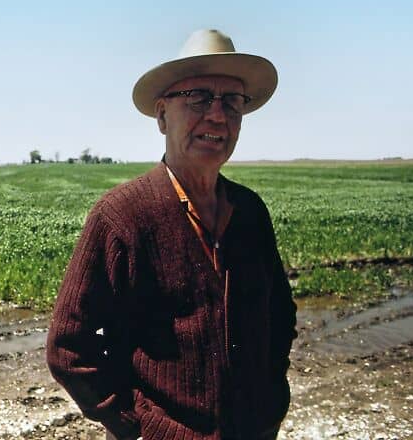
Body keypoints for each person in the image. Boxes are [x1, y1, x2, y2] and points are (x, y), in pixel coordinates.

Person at [46, 29, 297, 440]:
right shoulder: (122, 215)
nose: (217, 115)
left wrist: (270, 402)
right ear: (162, 115)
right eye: (199, 98)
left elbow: (280, 317)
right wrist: (132, 422)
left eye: (232, 101)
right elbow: (68, 346)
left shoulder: (250, 212)